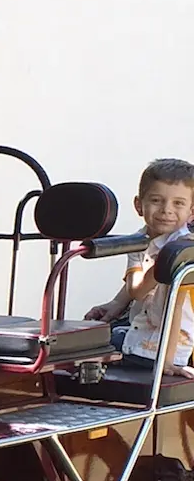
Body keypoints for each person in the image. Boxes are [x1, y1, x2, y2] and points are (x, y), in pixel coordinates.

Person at [89, 159, 194, 376]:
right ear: (139, 205)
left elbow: (173, 306)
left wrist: (167, 360)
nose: (166, 210)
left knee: (90, 348)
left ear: (191, 211)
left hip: (163, 346)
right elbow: (134, 286)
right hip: (141, 331)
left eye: (178, 204)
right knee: (86, 336)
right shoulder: (138, 240)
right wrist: (116, 304)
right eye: (156, 200)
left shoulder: (184, 250)